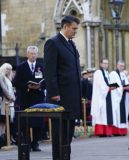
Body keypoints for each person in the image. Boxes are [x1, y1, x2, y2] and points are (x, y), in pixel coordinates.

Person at [44, 15, 82, 160]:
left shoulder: (71, 43)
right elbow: (49, 71)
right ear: (65, 26)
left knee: (68, 135)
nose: (75, 31)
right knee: (59, 135)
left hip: (71, 97)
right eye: (73, 28)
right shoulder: (53, 43)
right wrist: (54, 94)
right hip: (60, 98)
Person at [13, 46, 45, 151]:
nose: (33, 55)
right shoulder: (21, 67)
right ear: (27, 54)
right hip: (26, 98)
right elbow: (16, 82)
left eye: (35, 53)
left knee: (38, 122)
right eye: (31, 53)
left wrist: (40, 86)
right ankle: (27, 142)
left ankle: (35, 143)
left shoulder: (41, 66)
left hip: (38, 98)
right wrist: (27, 86)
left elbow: (46, 81)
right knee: (25, 122)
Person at [91, 59, 117, 136]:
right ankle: (101, 132)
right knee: (101, 114)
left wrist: (112, 86)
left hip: (107, 94)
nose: (106, 65)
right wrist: (108, 88)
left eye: (107, 63)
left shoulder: (107, 73)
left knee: (107, 114)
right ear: (101, 64)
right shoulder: (98, 72)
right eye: (104, 63)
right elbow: (100, 84)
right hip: (101, 96)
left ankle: (107, 132)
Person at [109, 61, 129, 136]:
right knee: (117, 114)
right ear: (117, 65)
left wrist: (128, 88)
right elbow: (113, 85)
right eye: (120, 65)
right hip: (116, 97)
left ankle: (123, 130)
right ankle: (116, 131)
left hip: (123, 97)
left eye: (123, 66)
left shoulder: (123, 74)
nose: (121, 67)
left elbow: (127, 85)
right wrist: (124, 88)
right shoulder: (113, 74)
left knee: (123, 113)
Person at [0, 63, 15, 138]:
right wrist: (11, 97)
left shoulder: (8, 78)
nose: (9, 71)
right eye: (7, 69)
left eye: (10, 69)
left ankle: (3, 138)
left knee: (5, 121)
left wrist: (13, 97)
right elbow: (4, 88)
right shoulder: (1, 76)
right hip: (4, 102)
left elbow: (11, 90)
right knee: (2, 121)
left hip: (9, 103)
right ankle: (1, 137)